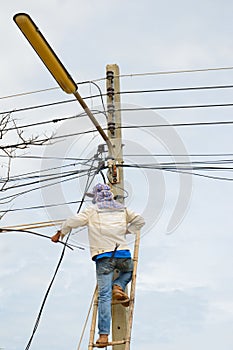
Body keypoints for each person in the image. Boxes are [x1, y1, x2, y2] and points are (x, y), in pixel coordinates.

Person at [51, 183, 145, 348]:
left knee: (104, 296)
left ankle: (103, 336)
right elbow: (140, 221)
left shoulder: (92, 211)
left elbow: (72, 221)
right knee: (129, 271)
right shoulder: (122, 209)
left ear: (96, 198)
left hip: (104, 257)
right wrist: (125, 231)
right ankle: (119, 285)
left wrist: (61, 233)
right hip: (122, 254)